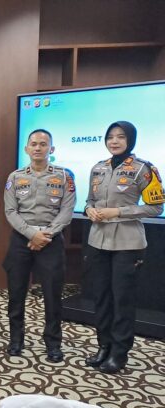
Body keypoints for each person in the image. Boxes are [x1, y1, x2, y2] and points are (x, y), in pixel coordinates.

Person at [84, 121, 163, 374]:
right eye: (110, 137)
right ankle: (103, 346)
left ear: (130, 140)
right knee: (101, 297)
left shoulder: (144, 169)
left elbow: (156, 207)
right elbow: (89, 200)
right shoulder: (98, 168)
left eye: (120, 137)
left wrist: (118, 212)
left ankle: (119, 352)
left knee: (122, 299)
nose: (114, 141)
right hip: (98, 240)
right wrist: (89, 210)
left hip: (127, 244)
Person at [3, 129, 76, 362]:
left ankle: (53, 343)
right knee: (16, 293)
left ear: (51, 149)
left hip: (51, 241)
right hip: (21, 240)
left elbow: (67, 210)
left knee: (53, 295)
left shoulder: (64, 176)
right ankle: (16, 340)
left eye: (43, 144)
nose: (37, 148)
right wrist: (31, 234)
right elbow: (10, 211)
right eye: (33, 144)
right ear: (26, 148)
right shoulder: (15, 177)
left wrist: (46, 235)